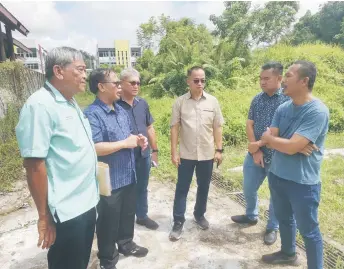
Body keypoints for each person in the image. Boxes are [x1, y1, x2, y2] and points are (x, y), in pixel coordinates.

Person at [15, 47, 99, 269]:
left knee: (80, 260)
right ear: (59, 71)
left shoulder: (69, 102)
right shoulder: (40, 105)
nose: (85, 75)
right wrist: (44, 217)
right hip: (67, 209)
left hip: (87, 202)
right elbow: (34, 165)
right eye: (80, 69)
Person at [260, 60, 328, 269]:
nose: (284, 80)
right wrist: (293, 144)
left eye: (288, 75)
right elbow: (269, 138)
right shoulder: (283, 108)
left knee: (309, 230)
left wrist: (286, 144)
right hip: (278, 174)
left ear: (304, 81)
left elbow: (278, 141)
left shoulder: (317, 111)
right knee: (284, 219)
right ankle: (288, 253)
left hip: (302, 182)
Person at [84, 68, 149, 269]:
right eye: (116, 84)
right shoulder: (92, 114)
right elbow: (94, 147)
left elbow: (127, 135)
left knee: (128, 214)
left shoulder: (120, 110)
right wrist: (125, 143)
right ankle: (108, 258)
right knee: (108, 221)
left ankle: (126, 244)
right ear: (101, 87)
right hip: (109, 180)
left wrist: (138, 140)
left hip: (128, 174)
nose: (120, 87)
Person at [231, 62, 289, 245]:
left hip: (278, 157)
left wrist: (259, 144)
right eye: (260, 78)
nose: (262, 82)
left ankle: (272, 227)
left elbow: (280, 130)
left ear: (279, 78)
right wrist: (254, 148)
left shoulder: (287, 101)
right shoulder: (257, 99)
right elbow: (250, 123)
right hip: (255, 153)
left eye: (266, 78)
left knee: (276, 194)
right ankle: (251, 215)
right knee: (248, 187)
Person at [169, 66, 224, 241]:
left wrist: (219, 149)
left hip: (207, 154)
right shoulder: (180, 102)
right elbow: (175, 128)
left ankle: (199, 215)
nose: (200, 84)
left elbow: (217, 127)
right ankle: (178, 221)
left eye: (203, 80)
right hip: (186, 154)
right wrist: (174, 152)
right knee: (182, 188)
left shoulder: (213, 102)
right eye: (196, 80)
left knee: (204, 187)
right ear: (188, 81)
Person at [117, 68, 159, 230]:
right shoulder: (115, 105)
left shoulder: (142, 104)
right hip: (123, 155)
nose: (136, 86)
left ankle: (141, 216)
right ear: (121, 84)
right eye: (132, 83)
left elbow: (150, 128)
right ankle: (122, 220)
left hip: (143, 154)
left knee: (142, 186)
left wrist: (154, 151)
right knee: (123, 189)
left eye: (138, 83)